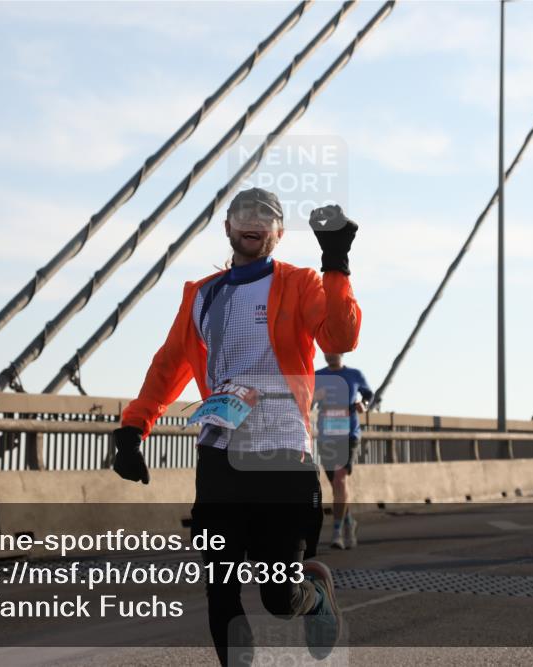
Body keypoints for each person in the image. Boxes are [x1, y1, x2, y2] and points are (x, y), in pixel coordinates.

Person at [110, 187, 361, 665]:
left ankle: (313, 596)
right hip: (219, 454)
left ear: (279, 233)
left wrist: (335, 262)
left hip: (283, 455)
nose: (253, 223)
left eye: (265, 217)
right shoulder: (202, 295)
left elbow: (340, 337)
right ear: (227, 226)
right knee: (221, 587)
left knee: (278, 596)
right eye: (244, 214)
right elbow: (168, 366)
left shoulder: (300, 283)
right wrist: (132, 429)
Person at [314, 354, 373, 550]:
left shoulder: (354, 374)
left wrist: (363, 405)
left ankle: (337, 532)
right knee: (336, 486)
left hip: (348, 434)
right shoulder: (317, 376)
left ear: (342, 352)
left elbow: (368, 395)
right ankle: (349, 522)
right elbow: (305, 401)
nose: (330, 355)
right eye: (327, 351)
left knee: (340, 480)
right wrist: (315, 397)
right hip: (326, 436)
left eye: (334, 351)